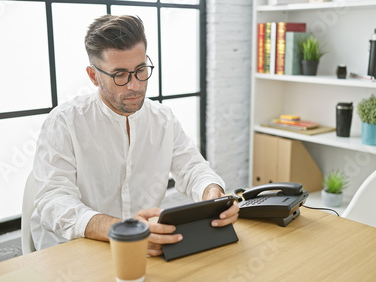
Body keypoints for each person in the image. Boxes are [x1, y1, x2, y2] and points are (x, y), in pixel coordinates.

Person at [30, 14, 239, 254]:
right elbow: (54, 202)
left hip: (144, 248)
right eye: (120, 75)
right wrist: (123, 230)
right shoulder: (64, 122)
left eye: (141, 70)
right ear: (93, 76)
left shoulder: (163, 119)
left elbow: (193, 169)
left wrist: (214, 195)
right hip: (76, 249)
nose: (135, 86)